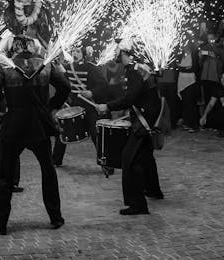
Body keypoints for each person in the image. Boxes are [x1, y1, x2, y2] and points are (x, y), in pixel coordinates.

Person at [0, 35, 70, 235]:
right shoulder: (46, 64)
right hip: (39, 125)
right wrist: (51, 107)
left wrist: (4, 105)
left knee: (4, 175)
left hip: (13, 124)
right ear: (32, 47)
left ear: (14, 47)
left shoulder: (5, 66)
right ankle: (56, 217)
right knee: (48, 171)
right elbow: (65, 87)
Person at [98, 50, 163, 216]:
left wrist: (108, 106)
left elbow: (131, 97)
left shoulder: (135, 71)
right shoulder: (136, 68)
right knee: (146, 156)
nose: (115, 56)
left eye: (118, 53)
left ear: (126, 54)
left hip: (143, 119)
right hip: (146, 115)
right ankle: (154, 190)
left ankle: (137, 204)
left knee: (129, 159)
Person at [52, 46, 108, 166]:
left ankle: (104, 162)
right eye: (73, 51)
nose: (75, 53)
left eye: (78, 51)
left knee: (95, 132)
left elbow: (103, 85)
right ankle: (55, 160)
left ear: (83, 54)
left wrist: (91, 92)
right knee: (62, 131)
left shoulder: (91, 68)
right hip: (73, 105)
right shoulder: (67, 68)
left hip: (89, 106)